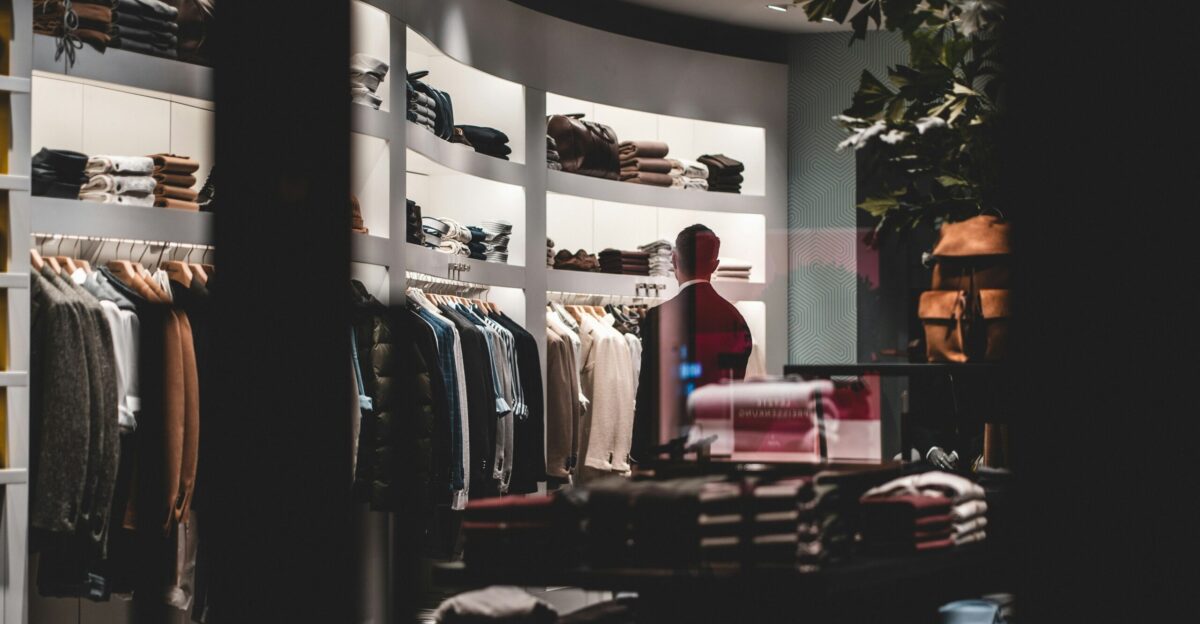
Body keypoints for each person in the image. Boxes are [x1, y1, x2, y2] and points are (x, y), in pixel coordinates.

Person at [631, 224, 753, 462]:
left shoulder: (659, 318)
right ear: (714, 266)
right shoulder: (736, 319)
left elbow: (647, 393)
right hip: (720, 449)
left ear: (674, 260)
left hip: (669, 451)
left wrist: (638, 455)